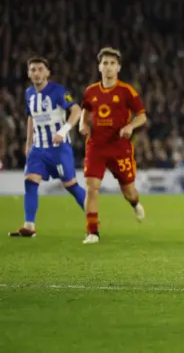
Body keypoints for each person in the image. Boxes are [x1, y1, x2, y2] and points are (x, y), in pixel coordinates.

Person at [9, 57, 86, 237]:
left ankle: (93, 218)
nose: (36, 72)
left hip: (58, 148)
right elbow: (31, 118)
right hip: (38, 148)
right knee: (30, 182)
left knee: (70, 185)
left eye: (40, 69)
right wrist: (29, 144)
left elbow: (76, 110)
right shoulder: (29, 94)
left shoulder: (57, 91)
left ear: (47, 73)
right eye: (33, 69)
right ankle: (29, 226)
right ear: (29, 73)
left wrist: (64, 130)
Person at [79, 47, 147, 244]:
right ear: (99, 67)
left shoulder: (127, 91)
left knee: (129, 192)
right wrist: (83, 124)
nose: (108, 67)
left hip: (119, 147)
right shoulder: (90, 91)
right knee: (92, 187)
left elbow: (142, 116)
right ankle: (92, 231)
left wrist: (130, 126)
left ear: (118, 67)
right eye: (105, 63)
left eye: (112, 64)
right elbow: (86, 110)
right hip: (96, 147)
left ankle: (135, 204)